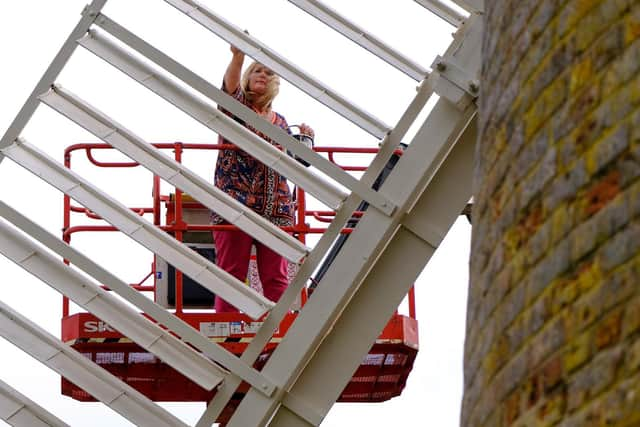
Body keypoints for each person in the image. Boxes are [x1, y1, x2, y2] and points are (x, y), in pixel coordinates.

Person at [211, 45, 314, 312]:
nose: (262, 75)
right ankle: (226, 331)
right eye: (257, 70)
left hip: (275, 207)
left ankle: (278, 330)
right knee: (232, 272)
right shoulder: (238, 106)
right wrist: (237, 57)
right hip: (236, 200)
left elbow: (297, 163)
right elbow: (229, 88)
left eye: (268, 73)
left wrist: (307, 140)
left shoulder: (281, 122)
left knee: (276, 277)